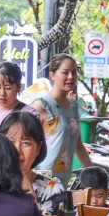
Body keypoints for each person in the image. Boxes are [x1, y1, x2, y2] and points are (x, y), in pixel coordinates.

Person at [33, 54, 93, 186]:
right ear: (52, 75)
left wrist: (94, 174)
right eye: (65, 73)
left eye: (74, 72)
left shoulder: (73, 106)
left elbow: (78, 146)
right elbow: (26, 144)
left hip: (63, 180)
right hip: (41, 179)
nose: (70, 77)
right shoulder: (41, 106)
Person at [0, 111, 64, 216]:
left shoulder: (52, 188)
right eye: (10, 142)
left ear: (38, 149)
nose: (17, 150)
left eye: (25, 143)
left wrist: (29, 195)